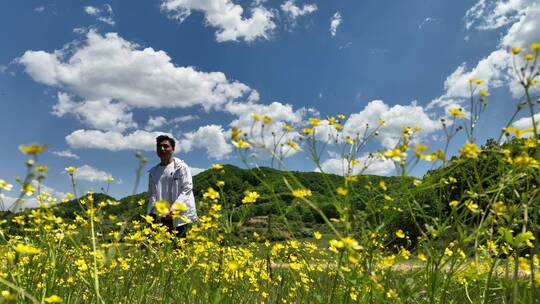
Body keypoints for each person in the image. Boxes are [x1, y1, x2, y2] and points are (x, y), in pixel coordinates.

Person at [147, 135, 198, 238]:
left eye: (165, 146)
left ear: (173, 149)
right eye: (159, 146)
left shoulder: (181, 167)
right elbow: (152, 195)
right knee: (159, 250)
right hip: (159, 217)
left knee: (180, 249)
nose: (162, 149)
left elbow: (187, 189)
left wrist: (174, 208)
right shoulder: (153, 172)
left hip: (179, 216)